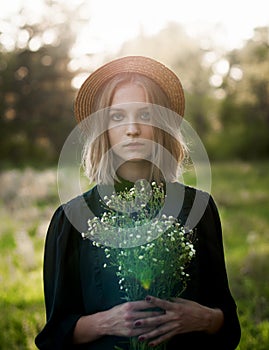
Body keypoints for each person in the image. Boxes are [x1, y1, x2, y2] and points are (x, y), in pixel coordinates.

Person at [35, 56, 241, 349]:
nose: (132, 129)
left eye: (145, 115)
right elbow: (54, 336)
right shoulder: (72, 218)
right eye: (117, 117)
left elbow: (229, 325)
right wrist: (105, 322)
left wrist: (205, 319)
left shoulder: (199, 207)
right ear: (103, 129)